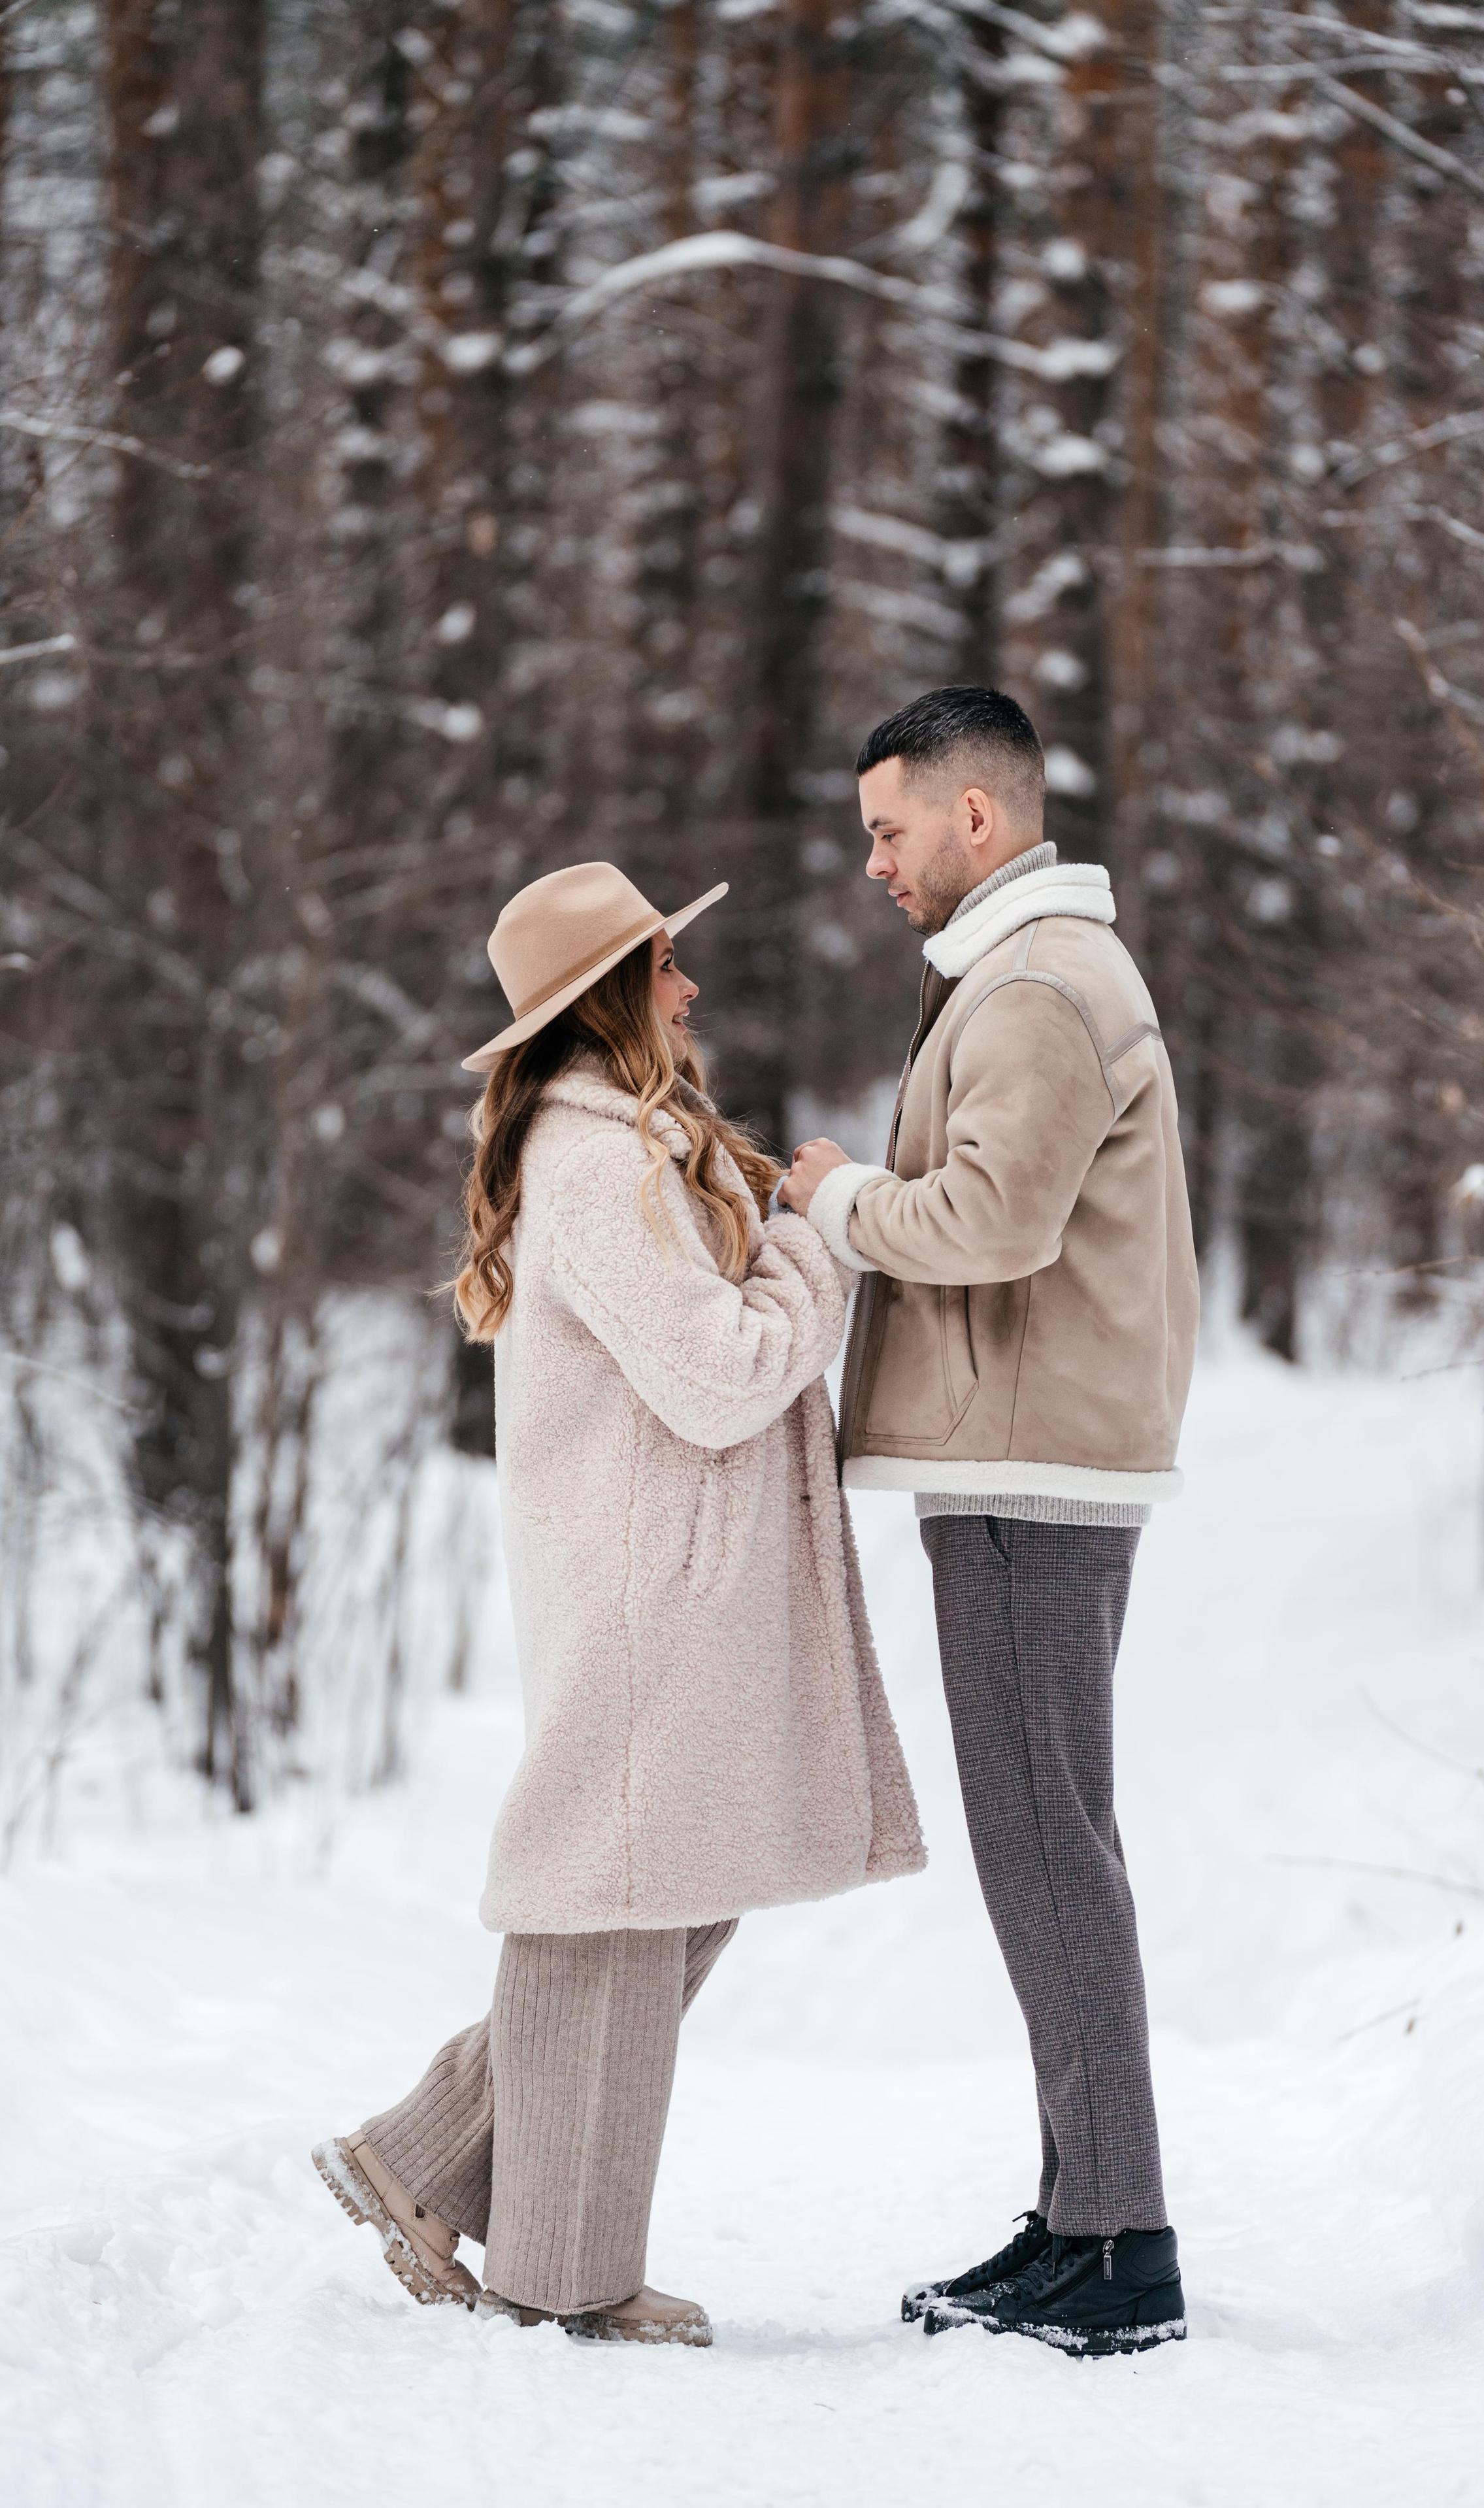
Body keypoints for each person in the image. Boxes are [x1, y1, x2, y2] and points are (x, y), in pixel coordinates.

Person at [314, 861, 924, 2347]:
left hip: (676, 1573)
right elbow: (717, 1370)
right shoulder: (594, 1160)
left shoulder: (625, 1141)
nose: (689, 986)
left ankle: (431, 2151)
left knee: (662, 1883)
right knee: (618, 1892)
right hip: (655, 1581)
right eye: (666, 964)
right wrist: (808, 1242)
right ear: (612, 992)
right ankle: (559, 2272)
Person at [781, 686, 1198, 2358]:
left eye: (888, 827)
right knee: (1050, 1842)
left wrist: (831, 1199)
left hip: (1030, 1470)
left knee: (1046, 1852)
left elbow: (991, 1218)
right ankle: (1084, 2213)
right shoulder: (1037, 971)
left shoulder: (1027, 984)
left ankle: (1119, 2250)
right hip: (1036, 1458)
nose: (870, 860)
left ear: (977, 816)